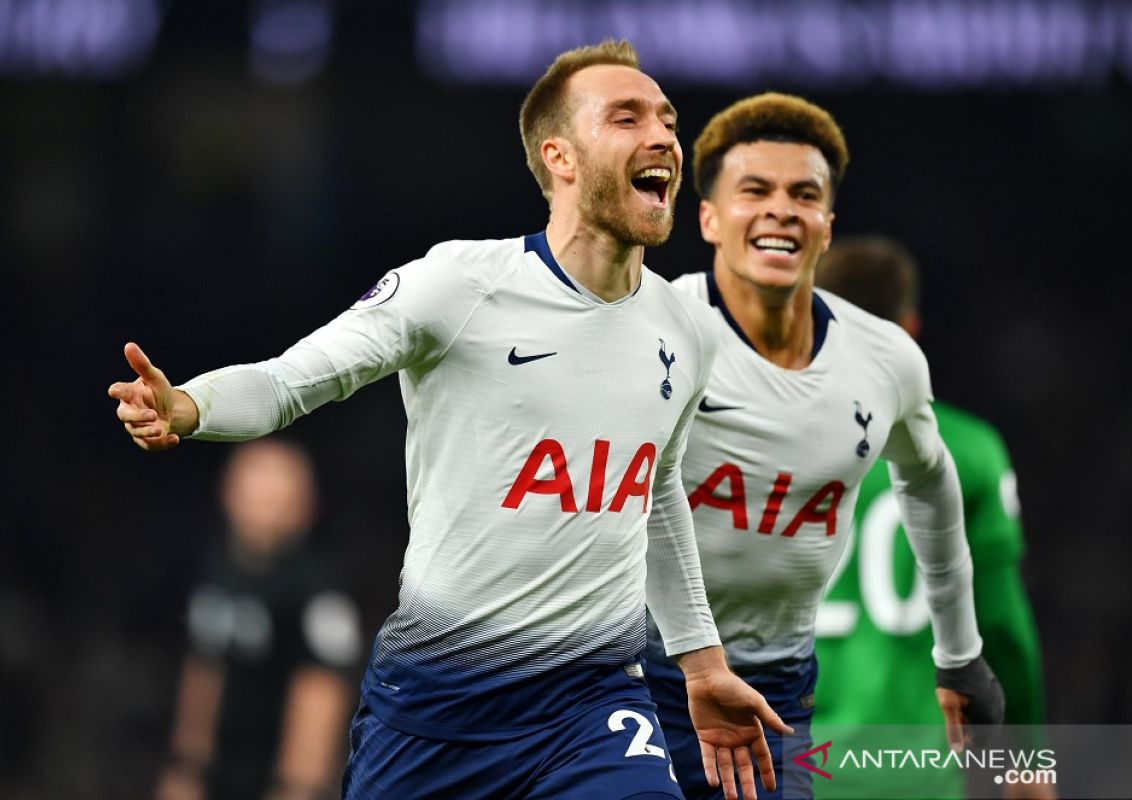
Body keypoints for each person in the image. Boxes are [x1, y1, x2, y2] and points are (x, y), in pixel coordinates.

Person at [109, 40, 790, 800]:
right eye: (627, 117)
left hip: (591, 703)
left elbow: (656, 494)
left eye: (667, 118)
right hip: (435, 710)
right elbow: (289, 381)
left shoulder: (687, 328)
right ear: (559, 156)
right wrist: (190, 404)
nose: (663, 135)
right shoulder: (461, 285)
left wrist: (701, 663)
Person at [643, 93, 1003, 800]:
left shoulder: (884, 359)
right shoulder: (647, 329)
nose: (781, 208)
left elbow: (930, 484)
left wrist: (960, 658)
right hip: (629, 673)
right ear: (710, 218)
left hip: (776, 686)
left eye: (802, 194)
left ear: (826, 226)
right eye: (755, 191)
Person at [812, 236, 1051, 799]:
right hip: (913, 776)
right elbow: (1003, 632)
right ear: (910, 330)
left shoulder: (758, 444)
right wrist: (1029, 768)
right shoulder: (969, 453)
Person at [156, 439, 362, 800]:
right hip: (220, 774)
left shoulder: (318, 591)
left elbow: (321, 693)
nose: (265, 504)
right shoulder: (215, 571)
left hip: (276, 780)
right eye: (256, 488)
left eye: (278, 495)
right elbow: (204, 670)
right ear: (229, 494)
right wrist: (184, 768)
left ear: (305, 507)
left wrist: (296, 787)